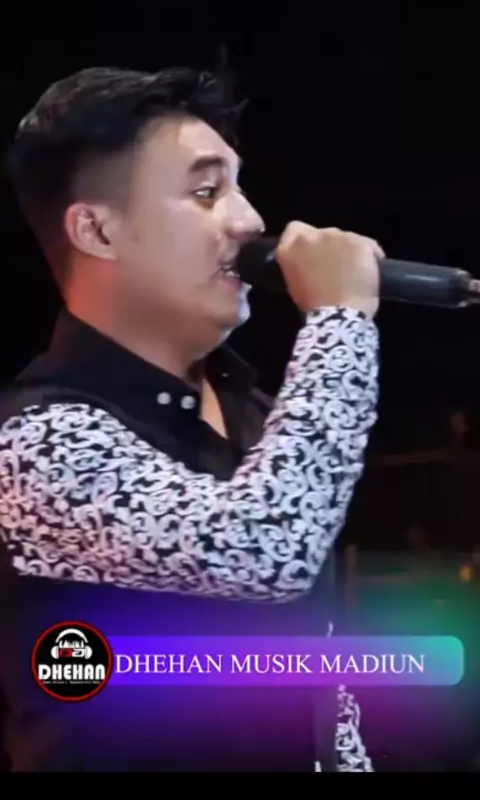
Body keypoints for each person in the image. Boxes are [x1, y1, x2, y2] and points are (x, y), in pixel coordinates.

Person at [0, 65, 382, 771]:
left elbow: (322, 687)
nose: (251, 221)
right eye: (207, 192)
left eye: (239, 186)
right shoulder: (35, 442)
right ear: (97, 230)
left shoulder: (260, 415)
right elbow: (264, 552)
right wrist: (341, 321)